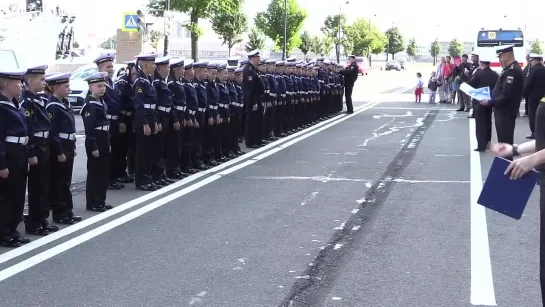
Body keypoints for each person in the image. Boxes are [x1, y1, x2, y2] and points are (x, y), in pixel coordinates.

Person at [21, 65, 59, 235]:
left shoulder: (39, 99)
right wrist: (31, 152)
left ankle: (42, 218)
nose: (44, 83)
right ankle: (34, 222)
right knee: (36, 186)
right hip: (36, 145)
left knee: (44, 184)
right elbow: (28, 128)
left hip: (44, 143)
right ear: (30, 81)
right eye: (41, 80)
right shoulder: (27, 101)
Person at [45, 72, 82, 224]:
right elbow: (53, 132)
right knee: (59, 181)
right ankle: (60, 213)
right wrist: (59, 151)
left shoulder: (64, 103)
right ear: (56, 88)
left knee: (66, 180)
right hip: (59, 146)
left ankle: (68, 211)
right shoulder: (53, 106)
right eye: (66, 86)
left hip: (68, 144)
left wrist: (72, 146)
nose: (69, 89)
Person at [0, 67, 30, 247]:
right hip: (9, 153)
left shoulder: (15, 104)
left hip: (20, 151)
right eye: (18, 82)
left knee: (18, 193)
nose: (21, 85)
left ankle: (13, 228)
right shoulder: (2, 107)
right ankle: (4, 231)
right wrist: (2, 163)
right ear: (6, 84)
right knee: (6, 195)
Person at [479, 45, 524, 151]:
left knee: (505, 144)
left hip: (506, 112)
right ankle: (506, 165)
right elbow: (501, 91)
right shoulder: (509, 69)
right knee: (503, 142)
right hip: (504, 112)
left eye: (500, 57)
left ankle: (507, 165)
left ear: (505, 56)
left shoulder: (512, 71)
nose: (499, 60)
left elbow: (506, 95)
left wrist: (490, 102)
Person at [93, 53, 125, 190]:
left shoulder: (112, 83)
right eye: (108, 66)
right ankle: (109, 179)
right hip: (107, 122)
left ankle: (114, 176)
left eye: (112, 66)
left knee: (117, 150)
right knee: (108, 152)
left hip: (115, 121)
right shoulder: (100, 85)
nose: (111, 69)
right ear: (100, 69)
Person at [81, 72, 111, 212]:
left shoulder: (100, 101)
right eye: (99, 86)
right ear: (91, 87)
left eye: (104, 85)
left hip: (104, 138)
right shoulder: (89, 105)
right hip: (95, 140)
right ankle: (93, 202)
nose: (102, 88)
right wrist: (93, 146)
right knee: (95, 172)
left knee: (103, 171)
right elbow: (89, 128)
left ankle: (101, 200)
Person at [132, 53, 159, 191]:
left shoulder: (149, 80)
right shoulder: (140, 82)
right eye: (152, 64)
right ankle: (141, 180)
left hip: (150, 117)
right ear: (144, 65)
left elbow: (153, 104)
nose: (155, 66)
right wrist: (144, 124)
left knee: (149, 151)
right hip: (144, 120)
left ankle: (147, 177)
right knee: (142, 152)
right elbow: (139, 104)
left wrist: (155, 121)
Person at [152, 56, 175, 186]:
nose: (169, 69)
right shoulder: (156, 82)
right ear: (161, 68)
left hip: (165, 117)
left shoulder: (162, 81)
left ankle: (161, 174)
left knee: (162, 148)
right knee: (157, 149)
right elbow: (156, 103)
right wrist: (158, 121)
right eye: (167, 67)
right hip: (160, 117)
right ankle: (157, 175)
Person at [469, 57, 498, 151]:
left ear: (481, 64)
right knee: (488, 121)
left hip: (479, 101)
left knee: (480, 124)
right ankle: (488, 143)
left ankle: (481, 145)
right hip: (490, 100)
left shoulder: (479, 74)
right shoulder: (495, 74)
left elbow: (471, 84)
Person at [166, 57, 187, 179]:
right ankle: (171, 169)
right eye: (182, 68)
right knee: (173, 144)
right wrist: (175, 119)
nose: (183, 70)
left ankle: (176, 167)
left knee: (178, 144)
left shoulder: (178, 82)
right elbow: (172, 103)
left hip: (180, 115)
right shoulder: (171, 83)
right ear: (177, 69)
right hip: (175, 116)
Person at [243, 50, 265, 148]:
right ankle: (250, 141)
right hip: (252, 100)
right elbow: (250, 88)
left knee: (258, 120)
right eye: (258, 57)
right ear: (253, 58)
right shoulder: (248, 70)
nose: (259, 59)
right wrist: (254, 101)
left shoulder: (254, 69)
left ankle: (257, 139)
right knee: (252, 121)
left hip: (258, 98)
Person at [523, 54, 545, 140]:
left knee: (532, 115)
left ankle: (534, 133)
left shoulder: (533, 70)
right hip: (543, 96)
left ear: (535, 60)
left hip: (533, 96)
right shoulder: (544, 69)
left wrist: (524, 94)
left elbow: (528, 83)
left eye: (531, 60)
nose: (530, 62)